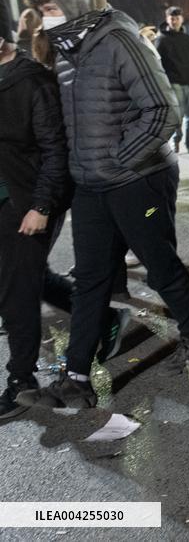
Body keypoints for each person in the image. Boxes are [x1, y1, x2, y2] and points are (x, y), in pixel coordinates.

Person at [16, 0, 189, 410]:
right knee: (90, 280)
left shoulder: (118, 38)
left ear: (72, 2)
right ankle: (76, 378)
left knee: (159, 265)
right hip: (91, 186)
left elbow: (162, 111)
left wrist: (121, 159)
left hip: (136, 180)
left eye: (51, 8)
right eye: (42, 11)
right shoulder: (68, 51)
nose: (46, 17)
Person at [0, 32, 70, 417]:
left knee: (17, 294)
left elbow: (54, 149)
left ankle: (21, 380)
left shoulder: (33, 81)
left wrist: (41, 206)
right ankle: (99, 313)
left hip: (25, 204)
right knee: (19, 282)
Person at [156, 6, 189, 155]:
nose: (175, 21)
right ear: (167, 19)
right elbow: (157, 64)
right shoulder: (161, 40)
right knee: (177, 115)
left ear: (181, 19)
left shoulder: (187, 39)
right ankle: (175, 140)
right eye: (172, 18)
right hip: (173, 83)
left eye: (177, 18)